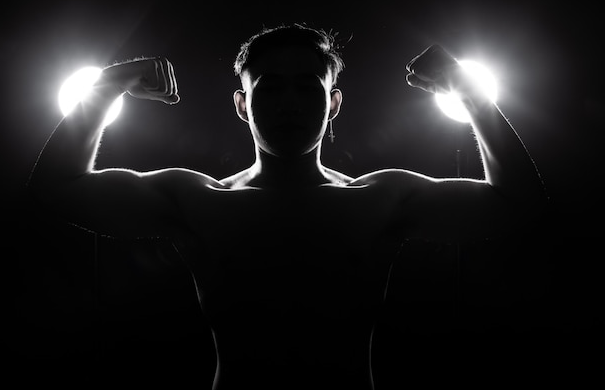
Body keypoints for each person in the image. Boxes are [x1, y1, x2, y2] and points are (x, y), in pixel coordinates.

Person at [28, 23, 547, 390]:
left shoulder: (379, 198)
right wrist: (104, 88)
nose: (289, 105)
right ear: (241, 103)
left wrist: (473, 96)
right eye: (269, 88)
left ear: (334, 102)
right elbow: (55, 190)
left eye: (308, 88)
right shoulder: (199, 200)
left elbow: (520, 205)